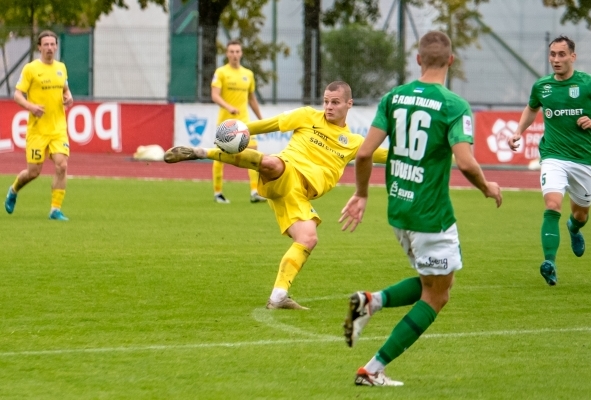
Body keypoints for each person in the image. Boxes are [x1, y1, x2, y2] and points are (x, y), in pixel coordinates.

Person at [339, 31, 502, 386]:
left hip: (399, 209)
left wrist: (362, 193)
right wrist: (487, 186)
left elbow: (364, 153)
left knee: (438, 281)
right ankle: (373, 369)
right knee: (438, 295)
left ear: (417, 60)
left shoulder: (393, 98)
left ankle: (371, 301)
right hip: (432, 216)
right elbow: (466, 162)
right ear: (451, 61)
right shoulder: (453, 105)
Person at [164, 81, 388, 310]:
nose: (328, 107)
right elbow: (271, 124)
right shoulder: (307, 116)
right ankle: (202, 152)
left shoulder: (355, 142)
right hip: (287, 171)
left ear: (349, 104)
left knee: (308, 238)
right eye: (326, 101)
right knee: (271, 162)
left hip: (297, 195)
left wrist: (421, 155)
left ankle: (278, 296)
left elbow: (388, 156)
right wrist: (241, 131)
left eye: (335, 102)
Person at [508, 35, 591, 286]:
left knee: (580, 214)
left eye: (562, 54)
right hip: (553, 156)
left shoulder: (589, 83)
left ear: (573, 56)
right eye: (552, 54)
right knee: (552, 205)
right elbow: (531, 108)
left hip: (583, 159)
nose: (556, 59)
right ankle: (549, 262)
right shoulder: (542, 86)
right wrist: (519, 131)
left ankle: (574, 228)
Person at [5, 30, 73, 221]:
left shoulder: (61, 68)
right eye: (46, 45)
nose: (50, 48)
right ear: (39, 47)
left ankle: (55, 210)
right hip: (37, 131)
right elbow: (17, 94)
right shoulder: (31, 69)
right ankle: (14, 190)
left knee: (62, 165)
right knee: (33, 172)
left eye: (53, 44)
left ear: (56, 47)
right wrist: (31, 106)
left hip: (58, 128)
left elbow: (65, 89)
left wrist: (69, 96)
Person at [211, 39, 265, 204]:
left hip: (244, 123)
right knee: (220, 157)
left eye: (237, 51)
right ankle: (218, 193)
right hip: (226, 124)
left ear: (241, 53)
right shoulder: (221, 72)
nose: (234, 55)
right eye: (231, 52)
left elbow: (252, 99)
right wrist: (229, 107)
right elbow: (215, 95)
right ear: (227, 54)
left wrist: (261, 119)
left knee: (254, 155)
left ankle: (255, 191)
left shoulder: (248, 74)